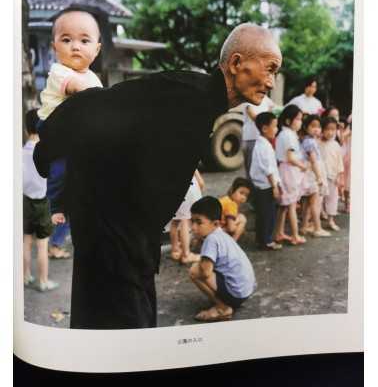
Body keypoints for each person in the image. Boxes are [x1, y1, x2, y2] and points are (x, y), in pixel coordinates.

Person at [33, 21, 282, 329]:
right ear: (236, 63)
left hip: (133, 245)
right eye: (270, 69)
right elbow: (96, 103)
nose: (272, 82)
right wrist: (46, 152)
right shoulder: (185, 92)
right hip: (112, 246)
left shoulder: (204, 104)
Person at [37, 8, 103, 228]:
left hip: (76, 130)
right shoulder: (59, 72)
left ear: (97, 49)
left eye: (84, 40)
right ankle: (55, 205)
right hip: (54, 129)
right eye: (66, 40)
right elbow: (81, 90)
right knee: (60, 167)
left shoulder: (93, 76)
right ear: (54, 46)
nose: (75, 46)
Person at [189, 197, 257, 322]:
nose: (193, 227)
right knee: (203, 266)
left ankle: (223, 308)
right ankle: (223, 300)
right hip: (245, 290)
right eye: (192, 221)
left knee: (195, 270)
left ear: (215, 223)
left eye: (199, 222)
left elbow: (205, 272)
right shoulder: (220, 234)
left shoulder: (211, 240)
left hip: (236, 294)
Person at [23, 110, 59, 292]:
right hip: (42, 202)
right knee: (42, 244)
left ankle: (25, 275)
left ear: (25, 127)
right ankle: (43, 281)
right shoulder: (44, 151)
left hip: (26, 202)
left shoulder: (21, 152)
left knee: (26, 241)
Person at [274, 105, 307, 245]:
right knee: (292, 204)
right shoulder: (288, 135)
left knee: (284, 205)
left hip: (285, 169)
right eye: (298, 119)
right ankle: (295, 235)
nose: (300, 122)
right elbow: (290, 157)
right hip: (289, 170)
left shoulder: (285, 133)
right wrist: (303, 166)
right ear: (288, 121)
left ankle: (279, 233)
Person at [250, 112, 282, 250]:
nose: (276, 129)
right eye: (274, 126)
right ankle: (266, 241)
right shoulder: (263, 146)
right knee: (267, 215)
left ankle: (261, 240)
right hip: (266, 186)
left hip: (264, 185)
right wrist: (275, 186)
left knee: (264, 214)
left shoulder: (263, 143)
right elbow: (268, 169)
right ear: (264, 128)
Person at [299, 115, 330, 237]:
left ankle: (304, 226)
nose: (316, 129)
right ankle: (317, 228)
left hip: (310, 174)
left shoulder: (307, 140)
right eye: (313, 126)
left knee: (307, 203)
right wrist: (319, 177)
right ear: (306, 127)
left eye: (318, 126)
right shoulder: (310, 142)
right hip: (313, 174)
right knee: (315, 203)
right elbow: (313, 161)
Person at [169, 169, 204, 264]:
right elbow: (200, 181)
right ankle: (186, 254)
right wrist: (200, 185)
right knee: (186, 220)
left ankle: (175, 250)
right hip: (188, 188)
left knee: (175, 220)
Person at [319, 117, 344, 231]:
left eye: (333, 129)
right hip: (319, 176)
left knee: (332, 198)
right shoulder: (317, 143)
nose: (330, 132)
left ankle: (330, 220)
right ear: (322, 129)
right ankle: (316, 221)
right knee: (319, 199)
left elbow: (339, 162)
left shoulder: (336, 145)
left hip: (332, 176)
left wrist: (339, 176)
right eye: (327, 129)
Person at [241, 95, 275, 178]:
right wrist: (267, 121)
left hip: (263, 138)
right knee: (251, 167)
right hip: (251, 138)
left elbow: (271, 113)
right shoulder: (248, 101)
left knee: (264, 166)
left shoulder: (266, 99)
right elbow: (254, 117)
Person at [218, 178, 251, 242]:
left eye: (246, 195)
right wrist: (241, 230)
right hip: (215, 231)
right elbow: (231, 228)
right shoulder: (231, 204)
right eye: (241, 193)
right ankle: (233, 243)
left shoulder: (225, 199)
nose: (243, 197)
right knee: (242, 218)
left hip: (212, 227)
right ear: (232, 190)